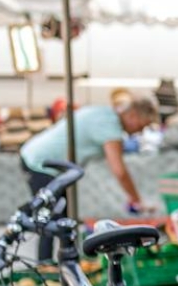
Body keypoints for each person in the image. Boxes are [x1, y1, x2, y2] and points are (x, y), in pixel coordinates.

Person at [18, 96, 157, 255]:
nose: (140, 131)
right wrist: (136, 200)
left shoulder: (104, 113)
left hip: (40, 159)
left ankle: (62, 262)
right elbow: (119, 170)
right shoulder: (110, 125)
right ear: (133, 115)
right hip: (41, 163)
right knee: (52, 217)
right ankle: (45, 265)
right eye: (142, 125)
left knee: (60, 217)